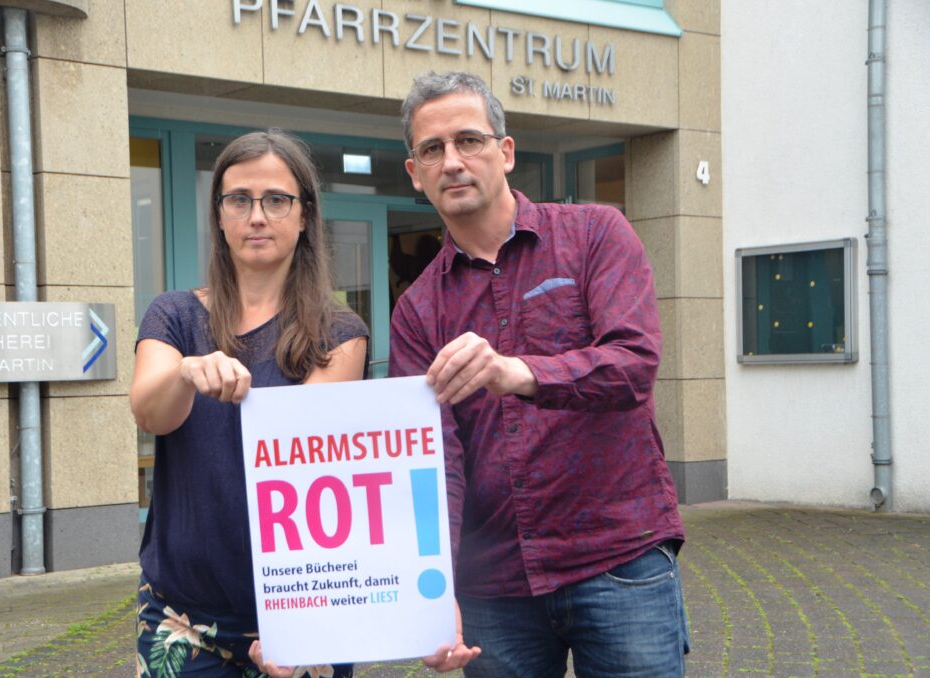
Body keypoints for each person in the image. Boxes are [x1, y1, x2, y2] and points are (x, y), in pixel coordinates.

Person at [389, 71, 689, 677]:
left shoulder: (595, 236)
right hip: (495, 585)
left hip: (618, 557)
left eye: (468, 140)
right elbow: (432, 461)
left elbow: (633, 365)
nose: (452, 161)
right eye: (432, 149)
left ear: (505, 152)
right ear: (414, 173)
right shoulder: (418, 309)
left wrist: (518, 371)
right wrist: (434, 589)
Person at [130, 130, 368, 677]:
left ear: (305, 215)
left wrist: (295, 615)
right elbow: (149, 411)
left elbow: (309, 472)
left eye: (276, 200)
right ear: (219, 215)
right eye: (239, 199)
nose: (256, 216)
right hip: (181, 617)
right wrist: (187, 372)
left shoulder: (338, 332)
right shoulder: (173, 315)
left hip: (305, 610)